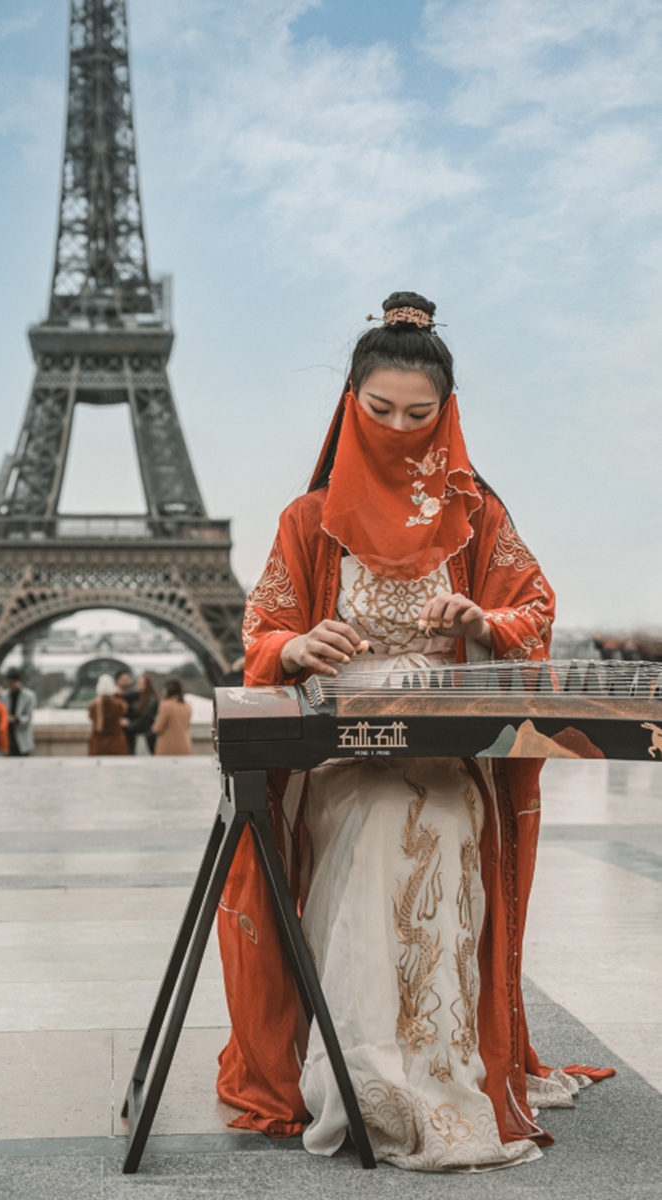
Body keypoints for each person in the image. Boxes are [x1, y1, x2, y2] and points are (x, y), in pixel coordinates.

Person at [216, 292, 612, 1170]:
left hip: (447, 746)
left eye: (419, 414)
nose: (400, 429)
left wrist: (479, 618)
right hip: (342, 752)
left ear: (449, 414)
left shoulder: (480, 517)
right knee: (379, 832)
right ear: (349, 407)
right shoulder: (307, 519)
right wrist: (297, 644)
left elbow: (533, 609)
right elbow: (260, 630)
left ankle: (433, 1072)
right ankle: (367, 1078)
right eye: (380, 411)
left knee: (428, 822)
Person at [87, 672, 129, 756]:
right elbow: (125, 710)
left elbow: (91, 717)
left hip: (98, 743)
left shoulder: (93, 704)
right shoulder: (118, 704)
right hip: (116, 742)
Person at [0, 668, 37, 757]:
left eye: (13, 682)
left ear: (19, 681)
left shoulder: (29, 696)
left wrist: (15, 719)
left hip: (21, 735)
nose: (11, 685)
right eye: (9, 682)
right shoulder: (3, 696)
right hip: (7, 735)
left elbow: (28, 716)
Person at [152, 678, 192, 756]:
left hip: (167, 746)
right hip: (185, 745)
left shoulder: (165, 705)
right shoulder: (186, 705)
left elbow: (158, 727)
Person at [125, 673, 160, 754]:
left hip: (146, 737)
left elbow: (145, 719)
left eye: (141, 683)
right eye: (138, 683)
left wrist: (128, 724)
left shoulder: (151, 700)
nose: (138, 685)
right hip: (140, 735)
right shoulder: (136, 697)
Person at [114, 669, 139, 754]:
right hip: (116, 734)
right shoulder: (112, 698)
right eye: (124, 679)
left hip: (129, 734)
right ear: (117, 681)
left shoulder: (134, 697)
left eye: (128, 679)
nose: (127, 682)